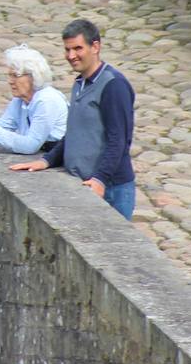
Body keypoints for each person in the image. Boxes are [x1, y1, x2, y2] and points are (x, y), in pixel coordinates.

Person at [10, 20, 137, 220]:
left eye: (78, 48)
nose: (71, 56)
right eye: (67, 49)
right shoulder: (80, 83)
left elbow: (118, 140)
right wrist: (47, 160)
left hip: (111, 189)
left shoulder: (113, 86)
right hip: (84, 183)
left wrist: (100, 180)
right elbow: (76, 132)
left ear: (95, 47)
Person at [0, 45, 68, 155]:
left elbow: (30, 146)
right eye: (9, 76)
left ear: (33, 76)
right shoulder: (20, 100)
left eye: (15, 75)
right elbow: (2, 129)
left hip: (58, 157)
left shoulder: (47, 100)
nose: (10, 81)